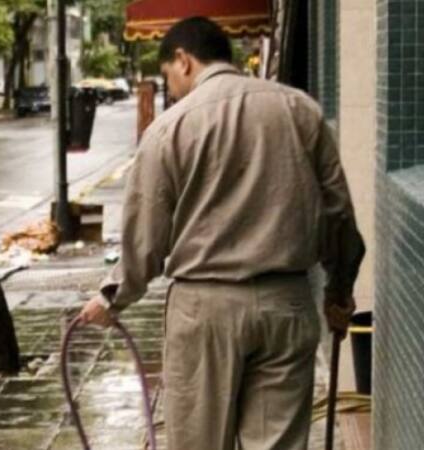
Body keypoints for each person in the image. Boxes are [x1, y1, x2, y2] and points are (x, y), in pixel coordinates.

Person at [78, 17, 365, 450]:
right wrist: (338, 292)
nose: (170, 89)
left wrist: (112, 297)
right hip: (286, 302)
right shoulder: (299, 110)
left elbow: (146, 238)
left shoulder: (169, 129)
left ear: (184, 60)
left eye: (168, 77)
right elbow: (339, 214)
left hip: (204, 311)